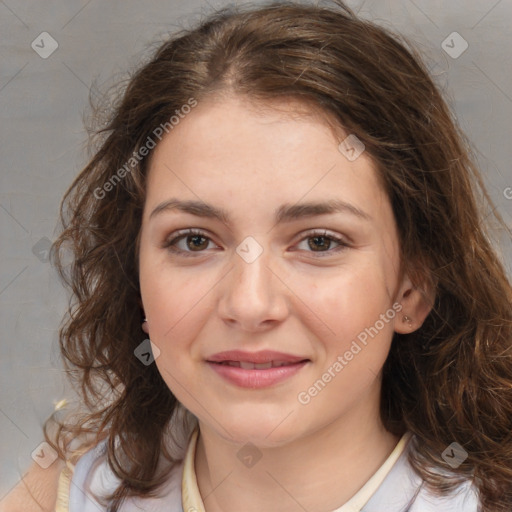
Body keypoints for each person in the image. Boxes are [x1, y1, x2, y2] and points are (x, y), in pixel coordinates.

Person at [3, 0, 512, 511]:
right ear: (134, 276)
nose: (249, 305)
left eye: (318, 242)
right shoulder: (59, 493)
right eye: (194, 241)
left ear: (412, 286)